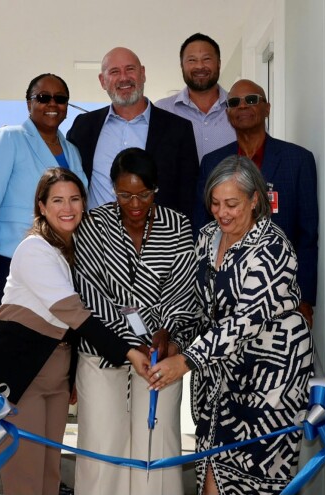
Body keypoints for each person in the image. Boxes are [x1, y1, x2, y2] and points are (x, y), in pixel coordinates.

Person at [0, 168, 152, 495]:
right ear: (41, 207)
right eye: (57, 200)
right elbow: (74, 315)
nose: (67, 207)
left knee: (49, 477)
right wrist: (130, 353)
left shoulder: (68, 251)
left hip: (56, 382)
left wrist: (70, 377)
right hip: (21, 379)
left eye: (74, 199)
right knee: (25, 480)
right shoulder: (35, 249)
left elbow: (68, 331)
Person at [152, 156, 315, 495]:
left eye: (232, 204)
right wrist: (177, 343)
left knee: (253, 483)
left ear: (255, 200)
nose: (221, 213)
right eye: (214, 203)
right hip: (219, 378)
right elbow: (200, 305)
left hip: (270, 383)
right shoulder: (209, 236)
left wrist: (185, 362)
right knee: (211, 471)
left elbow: (246, 321)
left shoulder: (272, 247)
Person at [72, 148, 199, 495]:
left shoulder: (178, 225)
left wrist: (166, 331)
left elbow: (184, 286)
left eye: (143, 194)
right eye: (125, 194)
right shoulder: (94, 225)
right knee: (101, 444)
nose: (134, 203)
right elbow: (88, 287)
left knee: (157, 442)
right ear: (113, 190)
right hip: (104, 349)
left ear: (156, 188)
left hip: (161, 352)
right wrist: (128, 341)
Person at [193, 79, 319, 327]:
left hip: (283, 295)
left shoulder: (298, 160)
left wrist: (305, 297)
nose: (242, 106)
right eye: (234, 102)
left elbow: (308, 235)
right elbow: (203, 228)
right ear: (228, 113)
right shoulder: (212, 162)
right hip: (226, 296)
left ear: (267, 108)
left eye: (251, 100)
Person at [0, 73, 87, 311]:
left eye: (60, 98)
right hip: (11, 262)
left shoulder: (73, 151)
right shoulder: (8, 138)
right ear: (28, 104)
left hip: (61, 266)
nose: (52, 104)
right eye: (43, 97)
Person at [67, 47, 199, 222]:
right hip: (95, 243)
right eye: (114, 71)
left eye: (130, 69)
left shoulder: (178, 129)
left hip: (158, 243)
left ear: (143, 73)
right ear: (102, 81)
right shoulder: (83, 126)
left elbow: (189, 195)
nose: (123, 77)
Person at [155, 33, 236, 162]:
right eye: (192, 60)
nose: (199, 66)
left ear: (219, 63)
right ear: (182, 65)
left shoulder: (240, 108)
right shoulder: (162, 110)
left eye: (207, 59)